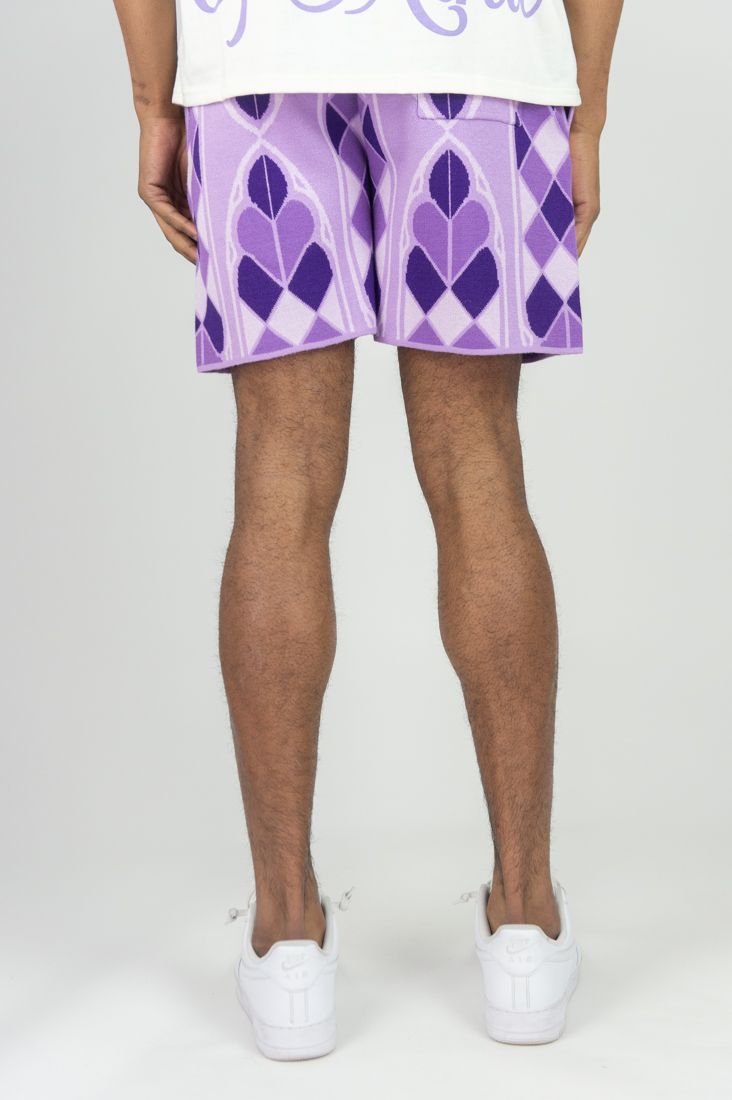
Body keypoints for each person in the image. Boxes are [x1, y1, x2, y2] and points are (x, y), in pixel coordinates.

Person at [113, 0, 624, 1060]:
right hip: (483, 55)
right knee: (479, 466)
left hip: (256, 58)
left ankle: (288, 935)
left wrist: (155, 102)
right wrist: (585, 107)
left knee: (280, 473)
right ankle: (525, 920)